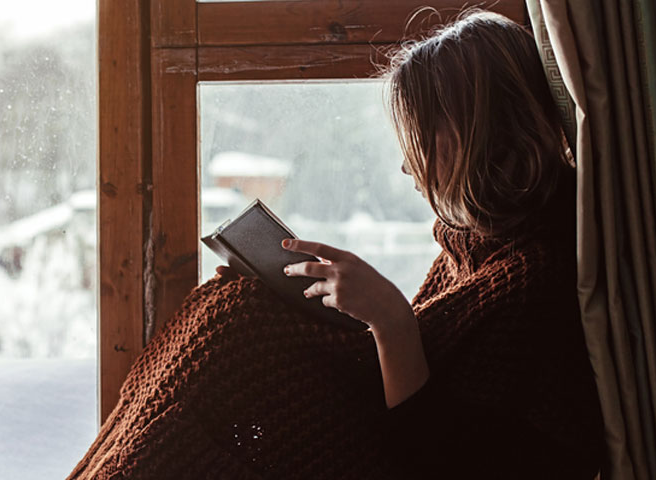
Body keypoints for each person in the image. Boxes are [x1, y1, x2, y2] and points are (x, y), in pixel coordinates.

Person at [69, 10, 604, 480]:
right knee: (230, 309)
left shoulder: (534, 281)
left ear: (477, 134)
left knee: (237, 330)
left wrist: (389, 319)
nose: (406, 167)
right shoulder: (473, 252)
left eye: (419, 142)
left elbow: (443, 457)